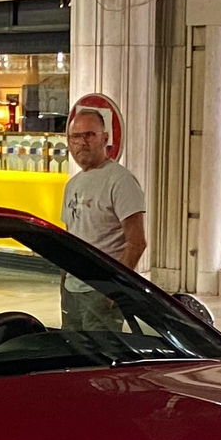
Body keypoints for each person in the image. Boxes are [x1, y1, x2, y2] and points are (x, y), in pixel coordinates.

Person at [59, 102, 146, 333]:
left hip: (101, 290)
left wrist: (116, 288)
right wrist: (63, 283)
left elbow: (136, 242)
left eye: (89, 135)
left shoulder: (120, 181)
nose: (81, 143)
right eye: (75, 137)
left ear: (105, 138)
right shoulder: (72, 185)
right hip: (73, 289)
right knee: (72, 353)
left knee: (100, 355)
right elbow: (70, 237)